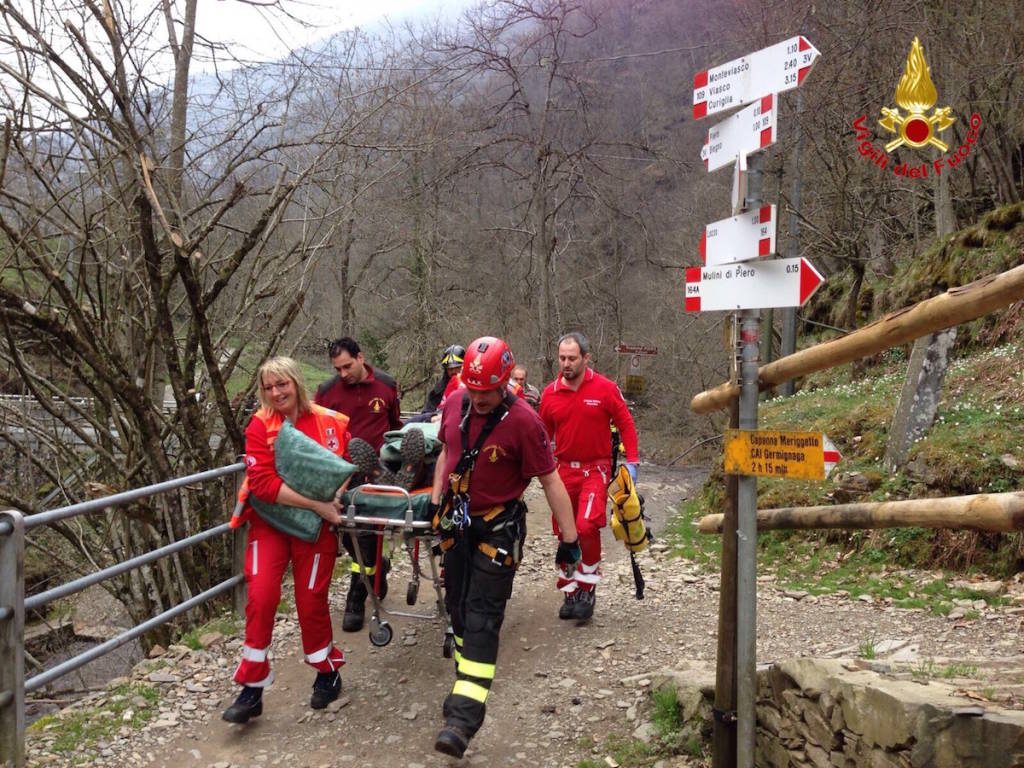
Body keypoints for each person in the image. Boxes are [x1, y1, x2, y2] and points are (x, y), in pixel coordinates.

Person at [430, 336, 581, 759]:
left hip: (498, 528)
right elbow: (446, 451)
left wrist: (569, 541)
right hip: (458, 523)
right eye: (472, 390)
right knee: (458, 609)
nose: (478, 399)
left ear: (503, 384)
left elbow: (550, 481)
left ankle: (461, 720)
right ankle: (467, 683)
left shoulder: (524, 422)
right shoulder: (456, 401)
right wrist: (435, 499)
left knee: (481, 615)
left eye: (486, 392)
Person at [223, 356, 350, 724]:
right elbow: (261, 483)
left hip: (317, 528)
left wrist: (336, 495)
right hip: (271, 522)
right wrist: (316, 503)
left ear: (296, 383)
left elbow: (344, 463)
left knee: (311, 601)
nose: (276, 392)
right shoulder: (260, 425)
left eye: (282, 384)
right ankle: (252, 689)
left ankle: (327, 671)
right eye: (268, 387)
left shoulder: (327, 421)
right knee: (261, 597)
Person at [539, 332, 639, 622]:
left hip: (595, 468)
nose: (566, 364)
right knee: (563, 531)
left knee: (584, 526)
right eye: (562, 358)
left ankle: (587, 587)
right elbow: (543, 435)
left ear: (585, 358)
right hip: (562, 471)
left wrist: (632, 461)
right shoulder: (550, 393)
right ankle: (570, 589)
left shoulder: (605, 389)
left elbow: (626, 423)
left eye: (572, 358)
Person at [314, 336, 404, 633]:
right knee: (347, 534)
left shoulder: (387, 385)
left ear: (361, 357)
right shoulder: (327, 392)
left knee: (366, 534)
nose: (343, 374)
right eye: (337, 369)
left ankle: (357, 596)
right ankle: (378, 570)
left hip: (379, 471)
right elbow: (316, 432)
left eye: (347, 366)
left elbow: (394, 427)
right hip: (341, 473)